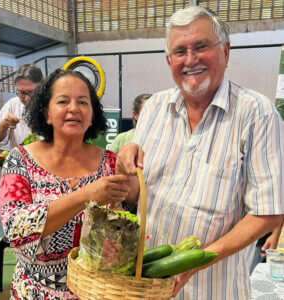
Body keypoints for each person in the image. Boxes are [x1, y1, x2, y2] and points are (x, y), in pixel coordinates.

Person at [116, 6, 284, 300]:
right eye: (180, 51)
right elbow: (134, 194)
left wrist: (197, 260)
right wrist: (125, 167)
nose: (190, 59)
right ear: (169, 61)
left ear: (226, 52)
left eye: (201, 47)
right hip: (146, 287)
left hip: (215, 289)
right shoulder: (154, 108)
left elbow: (268, 212)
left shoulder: (256, 113)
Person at [0, 69, 132, 299]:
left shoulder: (109, 163)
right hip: (34, 292)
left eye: (83, 102)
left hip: (94, 292)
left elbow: (118, 222)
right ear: (47, 114)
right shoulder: (19, 160)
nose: (74, 108)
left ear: (92, 116)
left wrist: (117, 243)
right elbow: (16, 230)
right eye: (63, 101)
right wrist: (86, 195)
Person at [0, 63, 43, 149]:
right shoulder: (13, 105)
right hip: (21, 160)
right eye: (22, 93)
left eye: (32, 92)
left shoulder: (52, 104)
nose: (27, 98)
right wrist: (4, 124)